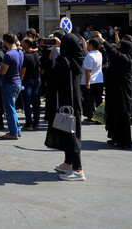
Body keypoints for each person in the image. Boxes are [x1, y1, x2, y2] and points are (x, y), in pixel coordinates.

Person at [45, 33, 86, 181]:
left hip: (65, 102)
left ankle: (78, 170)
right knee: (69, 132)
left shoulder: (64, 61)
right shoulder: (77, 59)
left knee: (72, 135)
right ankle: (68, 163)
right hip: (74, 102)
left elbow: (53, 81)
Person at [93, 31, 132, 149]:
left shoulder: (126, 59)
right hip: (113, 92)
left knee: (122, 116)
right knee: (113, 114)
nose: (118, 48)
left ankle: (124, 141)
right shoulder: (120, 59)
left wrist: (103, 40)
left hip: (122, 94)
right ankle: (115, 137)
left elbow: (114, 52)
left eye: (121, 46)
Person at [0, 32, 24, 140]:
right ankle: (16, 130)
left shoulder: (8, 55)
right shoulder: (20, 52)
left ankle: (13, 132)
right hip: (17, 82)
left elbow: (3, 71)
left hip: (9, 83)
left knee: (9, 109)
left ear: (5, 42)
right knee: (12, 107)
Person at [78, 37, 104, 121]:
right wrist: (85, 43)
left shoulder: (89, 56)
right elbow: (88, 53)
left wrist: (87, 83)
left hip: (91, 81)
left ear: (91, 45)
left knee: (89, 100)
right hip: (99, 79)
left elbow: (88, 71)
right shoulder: (99, 53)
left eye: (88, 45)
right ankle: (99, 117)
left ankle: (91, 116)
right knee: (98, 99)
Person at [20, 37, 40, 130]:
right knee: (35, 102)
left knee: (27, 103)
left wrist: (20, 81)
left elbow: (23, 71)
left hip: (27, 81)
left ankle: (29, 123)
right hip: (36, 80)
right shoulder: (36, 54)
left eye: (23, 43)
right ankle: (36, 122)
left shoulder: (25, 56)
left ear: (27, 45)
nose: (21, 44)